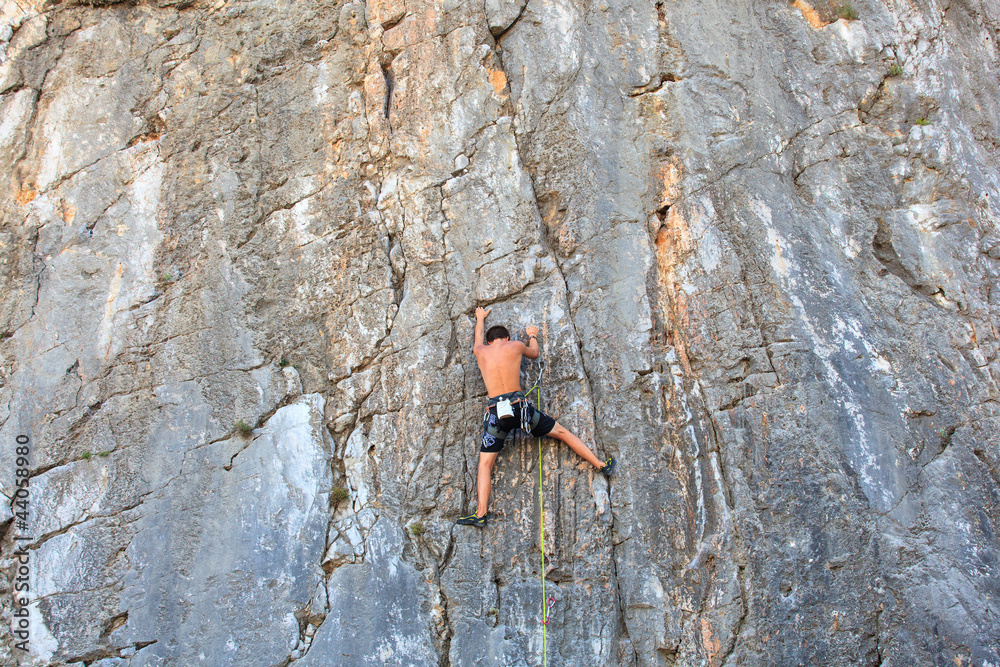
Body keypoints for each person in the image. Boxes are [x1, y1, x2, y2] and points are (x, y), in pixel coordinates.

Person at [457, 306, 615, 527]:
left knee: (485, 465)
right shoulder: (515, 345)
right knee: (562, 433)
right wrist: (532, 335)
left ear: (489, 341)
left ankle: (481, 513)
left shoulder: (480, 351)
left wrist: (480, 318)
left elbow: (477, 338)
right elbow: (534, 353)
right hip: (520, 409)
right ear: (507, 337)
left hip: (495, 414)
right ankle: (600, 464)